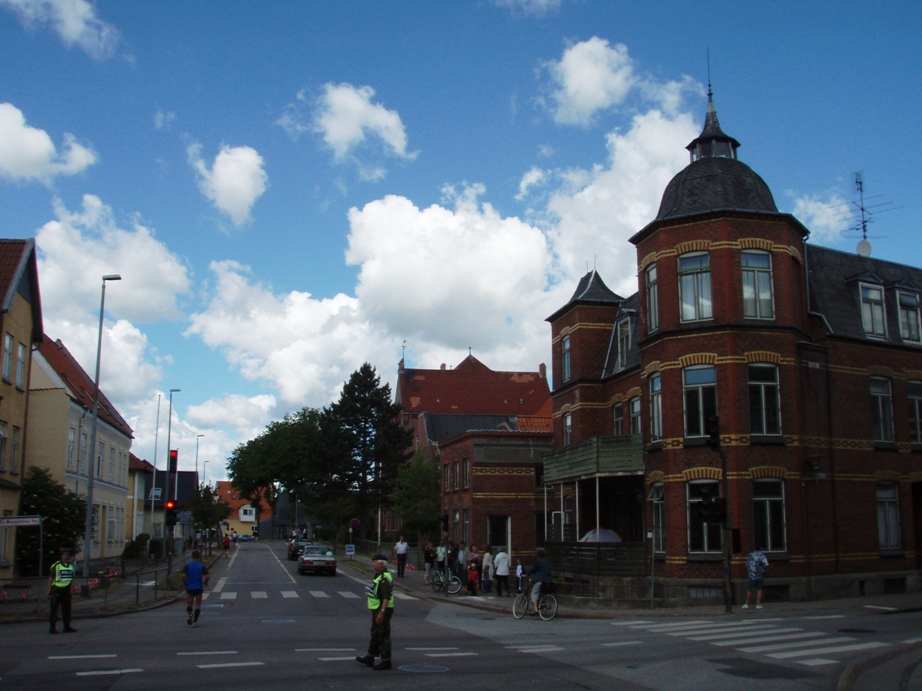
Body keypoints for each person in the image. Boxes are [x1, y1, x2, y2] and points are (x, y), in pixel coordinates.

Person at [356, 555, 394, 671]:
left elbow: (386, 597)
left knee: (382, 634)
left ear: (382, 564)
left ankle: (386, 660)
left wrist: (382, 612)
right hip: (377, 608)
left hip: (382, 609)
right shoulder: (379, 575)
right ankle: (370, 656)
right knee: (375, 633)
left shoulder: (384, 578)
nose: (373, 564)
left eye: (375, 562)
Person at [48, 547, 76, 634]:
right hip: (56, 590)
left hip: (66, 590)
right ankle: (52, 627)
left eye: (67, 554)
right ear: (61, 556)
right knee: (54, 609)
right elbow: (51, 578)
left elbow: (71, 578)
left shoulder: (71, 566)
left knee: (67, 609)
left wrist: (71, 589)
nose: (65, 556)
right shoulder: (57, 565)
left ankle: (67, 626)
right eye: (63, 554)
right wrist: (49, 591)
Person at [182, 549, 210, 627]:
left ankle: (190, 613)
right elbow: (207, 576)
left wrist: (185, 583)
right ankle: (195, 622)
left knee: (189, 604)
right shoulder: (201, 566)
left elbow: (183, 576)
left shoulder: (188, 565)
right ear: (199, 556)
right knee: (198, 605)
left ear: (192, 556)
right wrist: (205, 581)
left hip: (190, 587)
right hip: (198, 587)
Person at [525, 548, 552, 615]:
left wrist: (526, 575)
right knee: (541, 592)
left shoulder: (538, 562)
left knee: (533, 593)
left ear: (538, 556)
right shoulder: (547, 562)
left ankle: (535, 609)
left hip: (540, 580)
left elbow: (532, 569)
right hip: (548, 580)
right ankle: (540, 604)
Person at [743, 545, 769, 610]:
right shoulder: (762, 555)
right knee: (759, 590)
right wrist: (762, 569)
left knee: (750, 590)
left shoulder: (750, 555)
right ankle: (758, 605)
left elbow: (747, 565)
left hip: (752, 575)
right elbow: (766, 563)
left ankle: (746, 604)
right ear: (760, 548)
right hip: (760, 575)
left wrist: (750, 572)